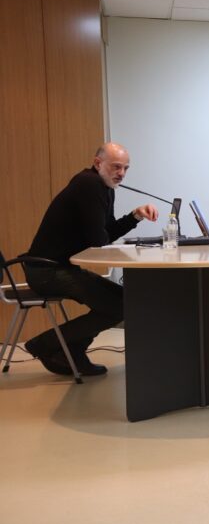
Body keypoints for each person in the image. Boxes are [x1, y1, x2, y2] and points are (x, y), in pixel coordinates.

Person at [23, 142, 159, 376]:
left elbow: (106, 234)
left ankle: (70, 349)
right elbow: (98, 240)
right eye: (116, 166)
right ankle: (46, 344)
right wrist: (109, 236)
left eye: (126, 168)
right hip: (45, 271)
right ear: (98, 163)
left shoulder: (104, 187)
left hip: (59, 268)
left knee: (123, 301)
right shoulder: (89, 184)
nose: (122, 173)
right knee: (120, 306)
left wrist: (135, 216)